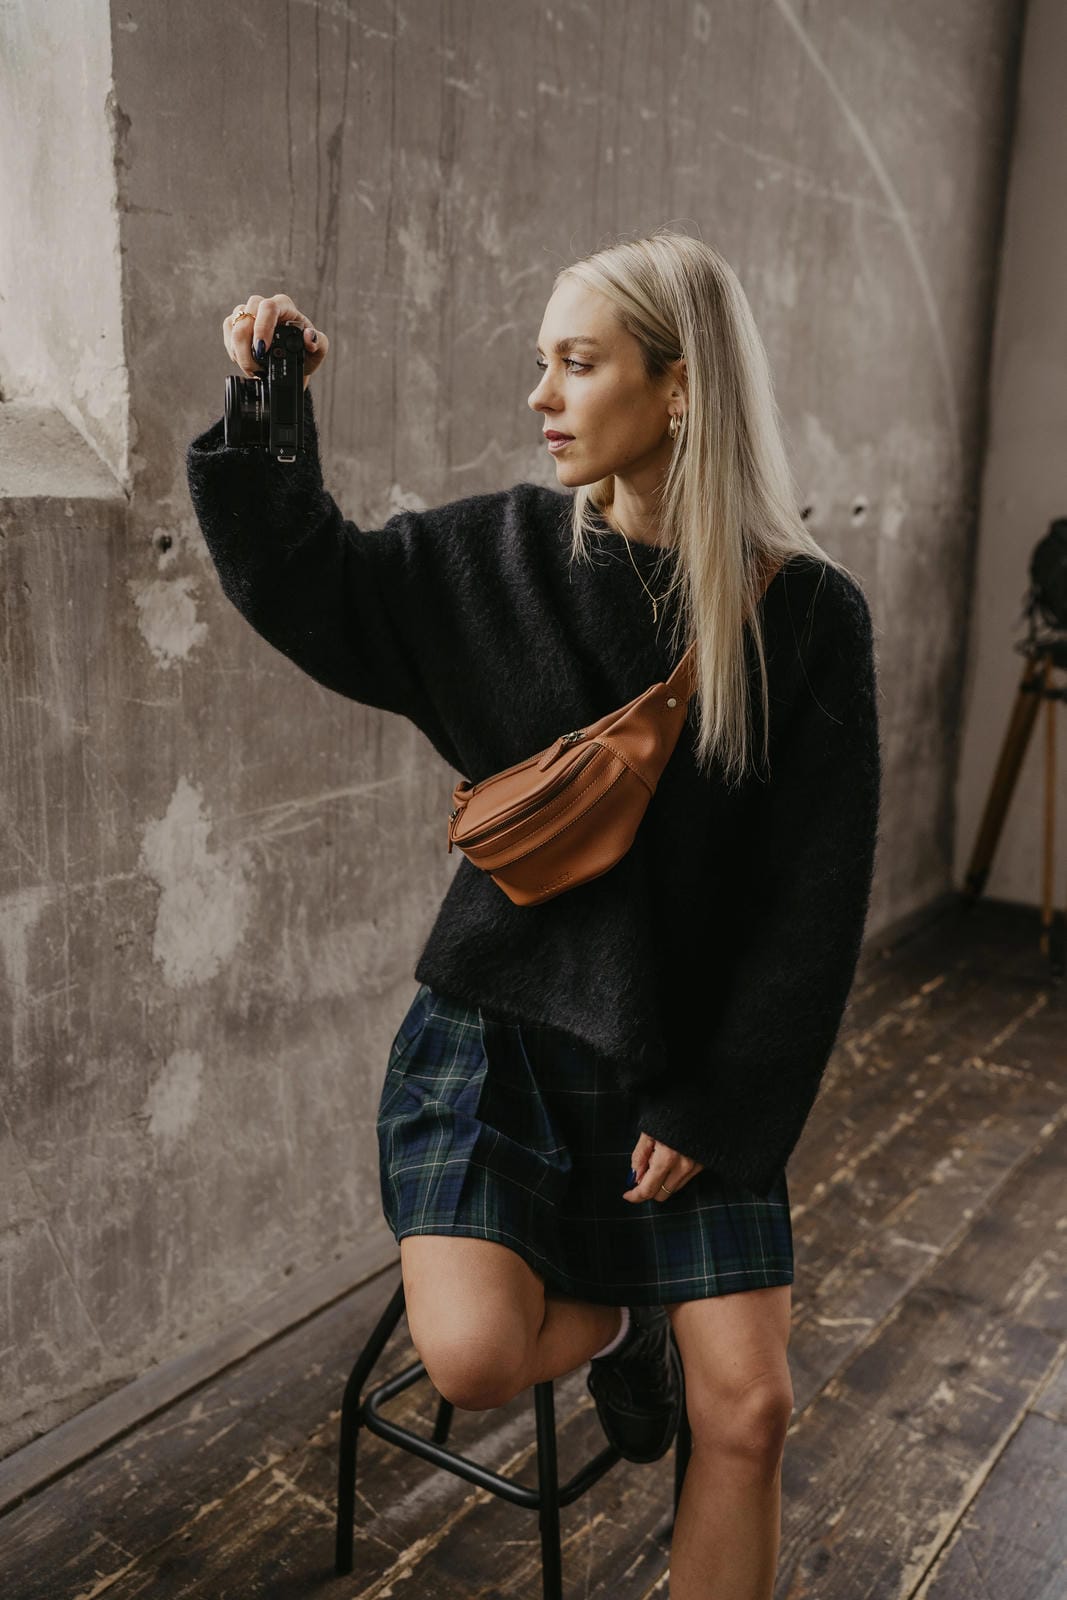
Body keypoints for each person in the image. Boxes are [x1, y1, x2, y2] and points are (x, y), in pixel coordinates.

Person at [186, 228, 881, 1600]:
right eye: (541, 364)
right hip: (492, 1041)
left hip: (683, 1070)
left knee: (749, 1410)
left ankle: (655, 1336)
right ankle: (623, 1329)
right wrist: (273, 404)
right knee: (473, 1361)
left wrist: (723, 1103)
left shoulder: (803, 618)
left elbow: (815, 898)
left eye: (577, 363)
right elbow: (304, 578)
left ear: (679, 390)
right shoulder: (494, 558)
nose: (541, 396)